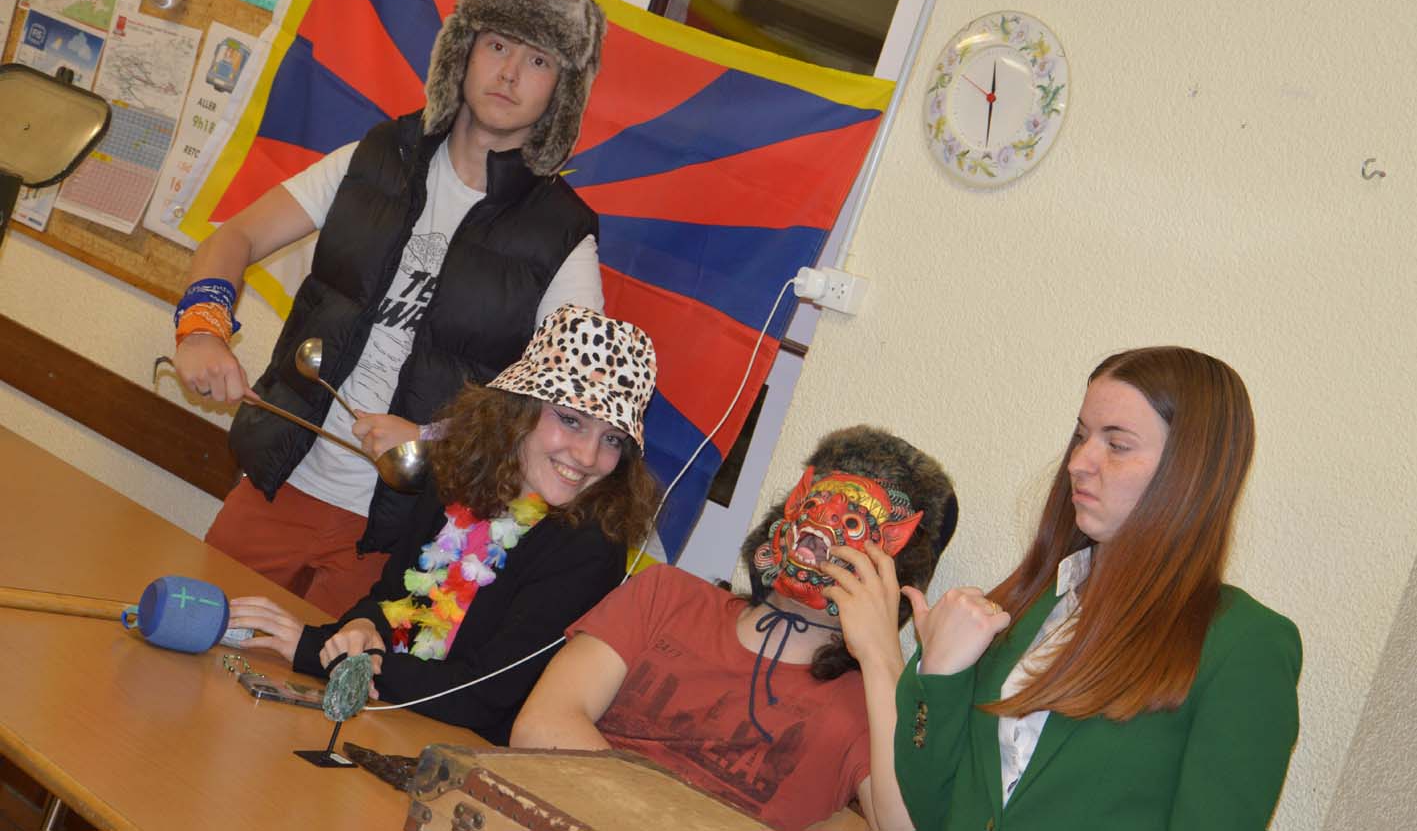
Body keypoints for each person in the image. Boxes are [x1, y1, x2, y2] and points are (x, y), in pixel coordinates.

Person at [171, 0, 609, 615]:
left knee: (316, 684)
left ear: (561, 90)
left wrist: (436, 436)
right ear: (462, 51)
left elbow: (571, 405)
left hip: (406, 533)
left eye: (539, 60)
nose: (510, 74)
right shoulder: (375, 157)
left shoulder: (563, 236)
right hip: (281, 480)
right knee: (190, 635)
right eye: (497, 45)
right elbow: (233, 238)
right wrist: (202, 330)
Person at [895, 347, 1302, 831]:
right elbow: (932, 811)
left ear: (1190, 471)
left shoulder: (1244, 643)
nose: (1078, 462)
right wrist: (939, 672)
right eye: (1082, 436)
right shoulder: (1028, 605)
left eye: (1117, 445)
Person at [226, 306, 658, 744]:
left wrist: (319, 651)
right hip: (391, 716)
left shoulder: (590, 547)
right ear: (519, 408)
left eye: (612, 439)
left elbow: (483, 695)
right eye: (571, 420)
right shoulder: (459, 475)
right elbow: (391, 598)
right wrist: (358, 629)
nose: (587, 457)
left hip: (465, 752)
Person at [512, 426, 960, 831]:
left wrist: (882, 657)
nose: (819, 529)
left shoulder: (871, 705)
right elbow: (541, 727)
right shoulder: (667, 595)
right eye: (814, 505)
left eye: (852, 525)